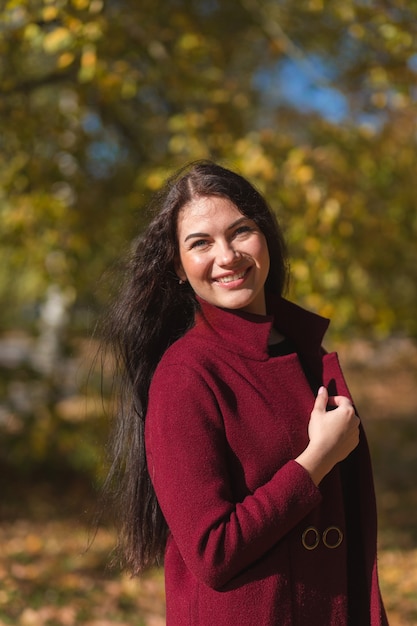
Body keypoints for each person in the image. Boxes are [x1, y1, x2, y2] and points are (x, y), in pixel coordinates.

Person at [102, 160, 388, 625]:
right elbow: (213, 551)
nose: (228, 255)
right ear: (178, 264)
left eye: (240, 232)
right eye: (201, 243)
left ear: (265, 237)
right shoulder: (185, 374)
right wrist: (316, 461)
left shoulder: (302, 351)